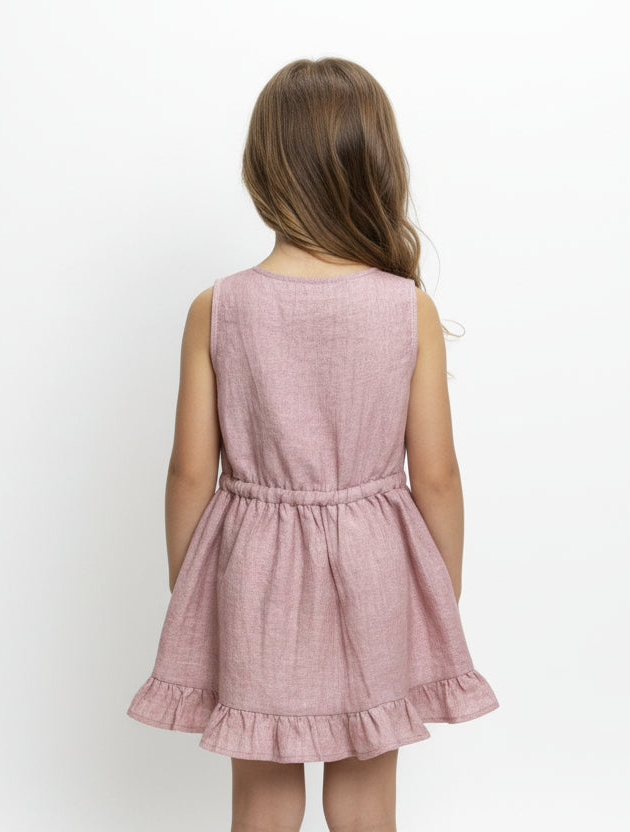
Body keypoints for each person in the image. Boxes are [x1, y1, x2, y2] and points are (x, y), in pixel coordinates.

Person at [127, 56, 499, 831]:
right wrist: (439, 594)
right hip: (378, 565)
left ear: (262, 169)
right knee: (365, 798)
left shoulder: (218, 307)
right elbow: (436, 478)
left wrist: (191, 590)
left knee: (262, 795)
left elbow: (189, 473)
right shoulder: (406, 309)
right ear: (377, 166)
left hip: (252, 570)